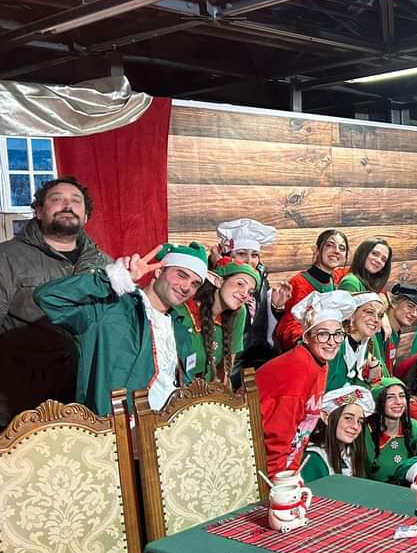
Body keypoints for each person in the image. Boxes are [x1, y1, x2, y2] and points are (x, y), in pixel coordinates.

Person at [35, 242, 207, 415]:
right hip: (116, 425)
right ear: (159, 271)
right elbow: (48, 298)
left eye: (195, 284)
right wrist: (110, 280)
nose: (186, 287)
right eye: (181, 275)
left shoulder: (181, 329)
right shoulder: (110, 307)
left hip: (170, 425)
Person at [0, 177, 110, 424]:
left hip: (87, 405)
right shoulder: (6, 258)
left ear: (86, 216)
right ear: (39, 211)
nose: (67, 205)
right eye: (57, 199)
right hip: (21, 407)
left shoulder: (105, 265)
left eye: (75, 201)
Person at [256, 290, 357, 474]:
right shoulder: (299, 367)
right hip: (258, 463)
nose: (332, 342)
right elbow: (277, 434)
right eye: (323, 334)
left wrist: (294, 471)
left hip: (285, 462)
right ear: (307, 336)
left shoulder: (320, 363)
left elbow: (300, 432)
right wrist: (280, 479)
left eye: (337, 334)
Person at [215, 218, 288, 375]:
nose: (249, 261)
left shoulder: (262, 282)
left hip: (256, 362)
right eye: (241, 254)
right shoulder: (220, 287)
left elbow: (261, 328)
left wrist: (275, 307)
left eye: (254, 255)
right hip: (228, 365)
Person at [177, 258, 260, 383]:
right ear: (218, 281)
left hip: (209, 391)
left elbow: (226, 372)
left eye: (250, 292)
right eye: (240, 284)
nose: (244, 294)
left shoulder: (238, 313)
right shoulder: (182, 312)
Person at [273, 229, 349, 351]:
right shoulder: (299, 283)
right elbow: (290, 324)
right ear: (317, 250)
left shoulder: (334, 279)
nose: (336, 251)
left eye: (342, 248)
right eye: (330, 245)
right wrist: (309, 342)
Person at [358, 378, 417, 482]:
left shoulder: (414, 427)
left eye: (402, 396)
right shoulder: (364, 430)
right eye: (390, 397)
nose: (398, 402)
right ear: (378, 402)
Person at [301, 386, 374, 481]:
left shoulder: (349, 455)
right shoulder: (314, 458)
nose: (355, 426)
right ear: (326, 417)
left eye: (360, 421)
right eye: (348, 418)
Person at [326, 292, 388, 391]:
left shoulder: (365, 348)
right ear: (351, 314)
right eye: (369, 312)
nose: (376, 319)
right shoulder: (334, 344)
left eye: (380, 316)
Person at [378, 281, 417, 374]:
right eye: (410, 306)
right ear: (394, 303)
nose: (414, 314)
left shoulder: (396, 334)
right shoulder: (380, 330)